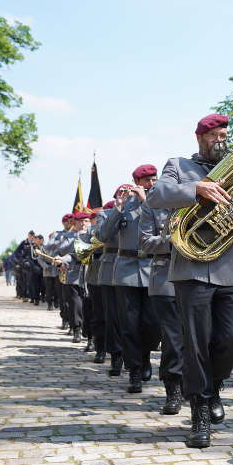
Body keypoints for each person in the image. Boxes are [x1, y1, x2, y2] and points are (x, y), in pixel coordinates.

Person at [148, 113, 233, 449]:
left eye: (225, 134)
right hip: (191, 267)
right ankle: (200, 412)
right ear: (200, 137)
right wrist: (195, 189)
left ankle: (213, 386)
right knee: (196, 343)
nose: (222, 139)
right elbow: (157, 195)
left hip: (231, 264)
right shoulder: (178, 165)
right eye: (216, 135)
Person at [98, 167, 162, 394]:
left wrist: (148, 203)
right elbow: (103, 236)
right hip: (125, 271)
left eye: (155, 178)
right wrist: (117, 209)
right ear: (136, 181)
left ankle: (145, 356)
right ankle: (134, 370)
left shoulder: (160, 202)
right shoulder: (125, 206)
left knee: (153, 324)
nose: (152, 182)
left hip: (153, 269)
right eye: (147, 179)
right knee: (129, 326)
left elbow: (164, 228)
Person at [139, 190, 185, 415]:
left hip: (200, 272)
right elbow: (146, 243)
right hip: (165, 276)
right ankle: (173, 387)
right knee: (173, 338)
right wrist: (177, 240)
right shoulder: (152, 206)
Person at [97, 200, 124, 376]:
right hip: (109, 269)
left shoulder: (146, 207)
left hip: (136, 269)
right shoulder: (105, 214)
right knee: (112, 317)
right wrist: (118, 210)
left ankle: (139, 357)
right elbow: (103, 235)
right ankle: (116, 355)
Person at [55, 212, 91, 344]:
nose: (83, 224)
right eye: (80, 221)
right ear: (74, 223)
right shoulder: (68, 236)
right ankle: (76, 329)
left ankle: (90, 334)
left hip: (90, 273)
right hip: (74, 273)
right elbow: (60, 251)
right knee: (75, 304)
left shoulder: (95, 235)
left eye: (86, 221)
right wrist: (61, 261)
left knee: (89, 305)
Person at [83, 211, 107, 364]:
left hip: (115, 275)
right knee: (98, 316)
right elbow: (81, 251)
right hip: (95, 276)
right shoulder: (91, 231)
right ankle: (100, 348)